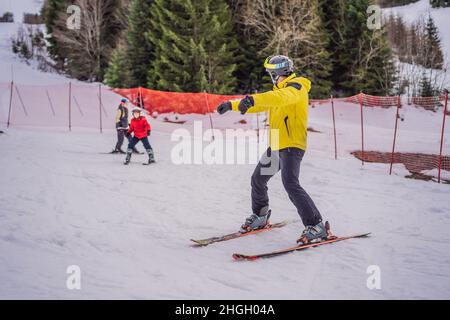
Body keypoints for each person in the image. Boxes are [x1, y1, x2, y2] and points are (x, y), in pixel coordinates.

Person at [216, 55, 328, 244]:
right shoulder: (278, 92)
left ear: (278, 73)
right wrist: (232, 105)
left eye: (271, 73)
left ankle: (316, 225)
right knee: (258, 179)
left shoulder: (297, 87)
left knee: (291, 183)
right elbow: (264, 102)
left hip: (292, 145)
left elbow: (278, 98)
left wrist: (251, 99)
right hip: (277, 145)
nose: (270, 77)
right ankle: (260, 215)